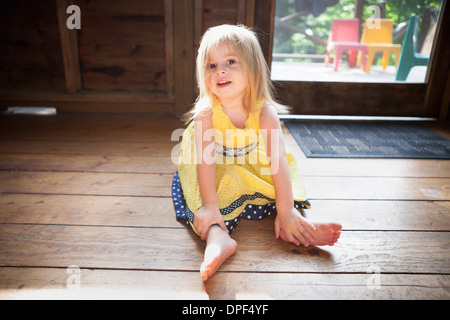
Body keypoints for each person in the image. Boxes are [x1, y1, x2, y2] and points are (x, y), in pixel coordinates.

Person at [172, 24, 341, 281]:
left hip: (251, 162)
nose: (221, 71)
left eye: (231, 61)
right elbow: (205, 164)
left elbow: (277, 163)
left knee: (279, 190)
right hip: (212, 166)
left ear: (252, 68)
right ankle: (218, 239)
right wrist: (209, 206)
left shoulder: (264, 113)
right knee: (201, 203)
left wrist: (285, 209)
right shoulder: (206, 113)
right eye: (212, 66)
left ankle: (292, 226)